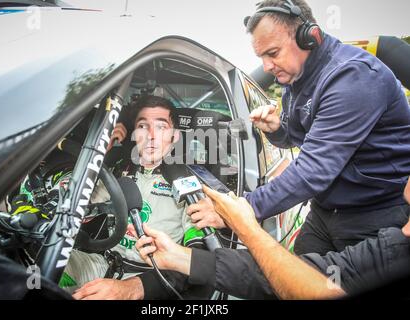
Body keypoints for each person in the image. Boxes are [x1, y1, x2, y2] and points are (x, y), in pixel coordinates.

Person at [240, 0, 410, 255]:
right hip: (324, 213)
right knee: (294, 284)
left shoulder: (353, 76)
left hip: (374, 215)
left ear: (309, 37)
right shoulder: (296, 81)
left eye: (273, 53)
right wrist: (277, 128)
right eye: (261, 57)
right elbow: (300, 139)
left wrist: (245, 208)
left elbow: (313, 170)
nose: (266, 66)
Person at [136, 179, 410, 299]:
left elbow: (311, 288)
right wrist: (176, 256)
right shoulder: (395, 243)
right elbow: (306, 277)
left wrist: (247, 226)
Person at [60, 95, 216, 300]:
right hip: (102, 264)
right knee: (36, 265)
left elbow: (197, 259)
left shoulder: (188, 184)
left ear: (174, 136)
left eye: (161, 127)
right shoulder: (119, 169)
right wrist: (99, 155)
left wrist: (132, 288)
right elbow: (70, 198)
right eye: (143, 126)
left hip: (153, 278)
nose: (151, 135)